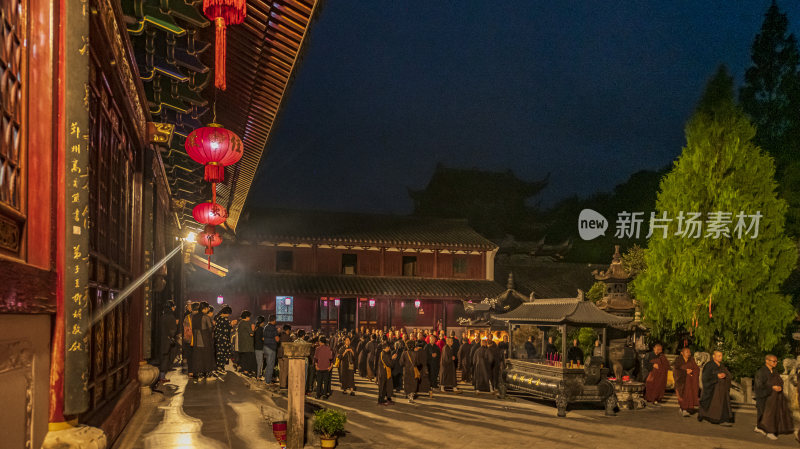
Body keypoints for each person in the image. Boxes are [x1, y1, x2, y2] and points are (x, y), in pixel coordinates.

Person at [754, 354, 793, 440]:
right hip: (765, 396)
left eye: (776, 361)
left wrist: (779, 387)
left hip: (774, 397)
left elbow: (780, 382)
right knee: (765, 414)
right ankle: (769, 431)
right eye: (773, 361)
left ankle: (760, 428)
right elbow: (759, 386)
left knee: (771, 414)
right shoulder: (761, 372)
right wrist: (771, 388)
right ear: (767, 361)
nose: (775, 363)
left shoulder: (775, 372)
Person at [698, 350, 733, 426]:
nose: (721, 357)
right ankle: (708, 418)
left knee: (723, 405)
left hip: (722, 390)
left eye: (721, 356)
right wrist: (716, 376)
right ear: (713, 356)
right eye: (719, 356)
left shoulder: (722, 365)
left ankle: (722, 419)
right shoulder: (709, 365)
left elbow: (729, 375)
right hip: (713, 389)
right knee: (712, 405)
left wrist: (725, 375)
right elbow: (705, 377)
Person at [672, 346, 700, 417]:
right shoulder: (678, 360)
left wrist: (692, 371)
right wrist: (685, 372)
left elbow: (697, 369)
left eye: (689, 352)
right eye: (687, 352)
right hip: (681, 382)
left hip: (689, 381)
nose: (689, 353)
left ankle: (686, 408)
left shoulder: (691, 360)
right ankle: (683, 409)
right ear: (682, 353)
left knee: (689, 395)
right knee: (682, 396)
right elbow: (676, 371)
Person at [191, 302, 216, 380]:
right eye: (207, 308)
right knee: (207, 357)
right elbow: (210, 329)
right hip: (205, 340)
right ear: (204, 308)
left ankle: (199, 376)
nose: (208, 309)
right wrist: (214, 325)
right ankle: (208, 375)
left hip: (196, 341)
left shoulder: (194, 317)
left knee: (198, 358)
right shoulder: (206, 317)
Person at [158, 300, 179, 383]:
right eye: (174, 307)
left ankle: (161, 376)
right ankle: (162, 377)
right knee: (166, 359)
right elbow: (172, 331)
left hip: (161, 340)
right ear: (171, 307)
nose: (174, 308)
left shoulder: (162, 316)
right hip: (167, 341)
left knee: (163, 358)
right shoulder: (171, 317)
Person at [213, 306, 234, 373]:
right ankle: (220, 368)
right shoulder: (224, 320)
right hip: (223, 339)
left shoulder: (217, 318)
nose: (228, 315)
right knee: (223, 353)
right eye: (228, 314)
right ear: (226, 313)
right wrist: (232, 324)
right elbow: (229, 329)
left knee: (219, 353)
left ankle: (218, 367)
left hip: (217, 338)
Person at [237, 311, 256, 377]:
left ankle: (244, 371)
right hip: (247, 345)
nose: (250, 318)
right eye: (249, 317)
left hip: (241, 345)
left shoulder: (240, 323)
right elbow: (251, 334)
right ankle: (246, 372)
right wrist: (253, 329)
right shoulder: (246, 323)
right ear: (247, 317)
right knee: (248, 359)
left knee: (244, 359)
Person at [263, 315, 279, 384]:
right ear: (274, 320)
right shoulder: (273, 328)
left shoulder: (265, 327)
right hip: (271, 348)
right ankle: (267, 381)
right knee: (270, 365)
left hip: (265, 347)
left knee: (267, 364)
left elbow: (263, 338)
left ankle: (266, 379)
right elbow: (277, 339)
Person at [183, 303, 198, 376]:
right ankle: (197, 371)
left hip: (188, 339)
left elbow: (185, 329)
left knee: (190, 356)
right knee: (197, 356)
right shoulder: (200, 317)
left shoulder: (187, 317)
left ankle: (190, 371)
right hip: (198, 340)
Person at [278, 324, 293, 389]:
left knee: (281, 370)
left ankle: (281, 383)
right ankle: (283, 385)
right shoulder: (288, 337)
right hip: (285, 355)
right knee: (285, 370)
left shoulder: (279, 335)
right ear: (287, 330)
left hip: (279, 355)